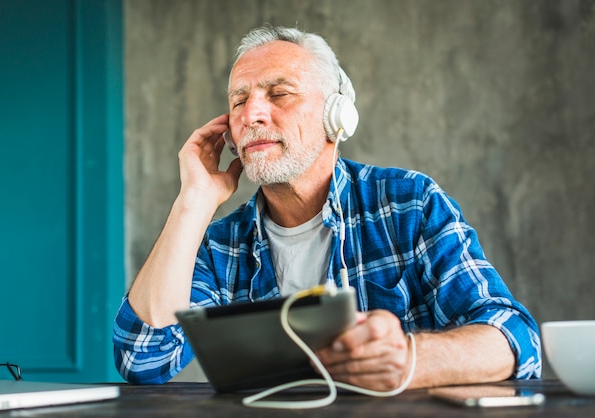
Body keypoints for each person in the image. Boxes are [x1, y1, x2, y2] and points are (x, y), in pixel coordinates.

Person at [113, 25, 541, 390]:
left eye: (279, 93)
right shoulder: (220, 245)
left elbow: (515, 338)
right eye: (239, 101)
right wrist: (194, 199)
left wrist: (409, 359)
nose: (252, 113)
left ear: (337, 117)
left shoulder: (411, 204)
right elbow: (142, 361)